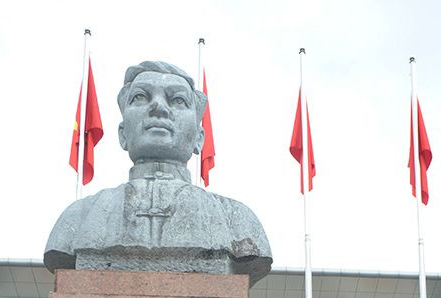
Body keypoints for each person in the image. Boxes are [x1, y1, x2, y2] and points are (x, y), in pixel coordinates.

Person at [45, 60, 272, 281]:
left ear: (199, 139)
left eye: (178, 100)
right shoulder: (78, 218)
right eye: (141, 97)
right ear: (122, 135)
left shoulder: (239, 222)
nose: (159, 107)